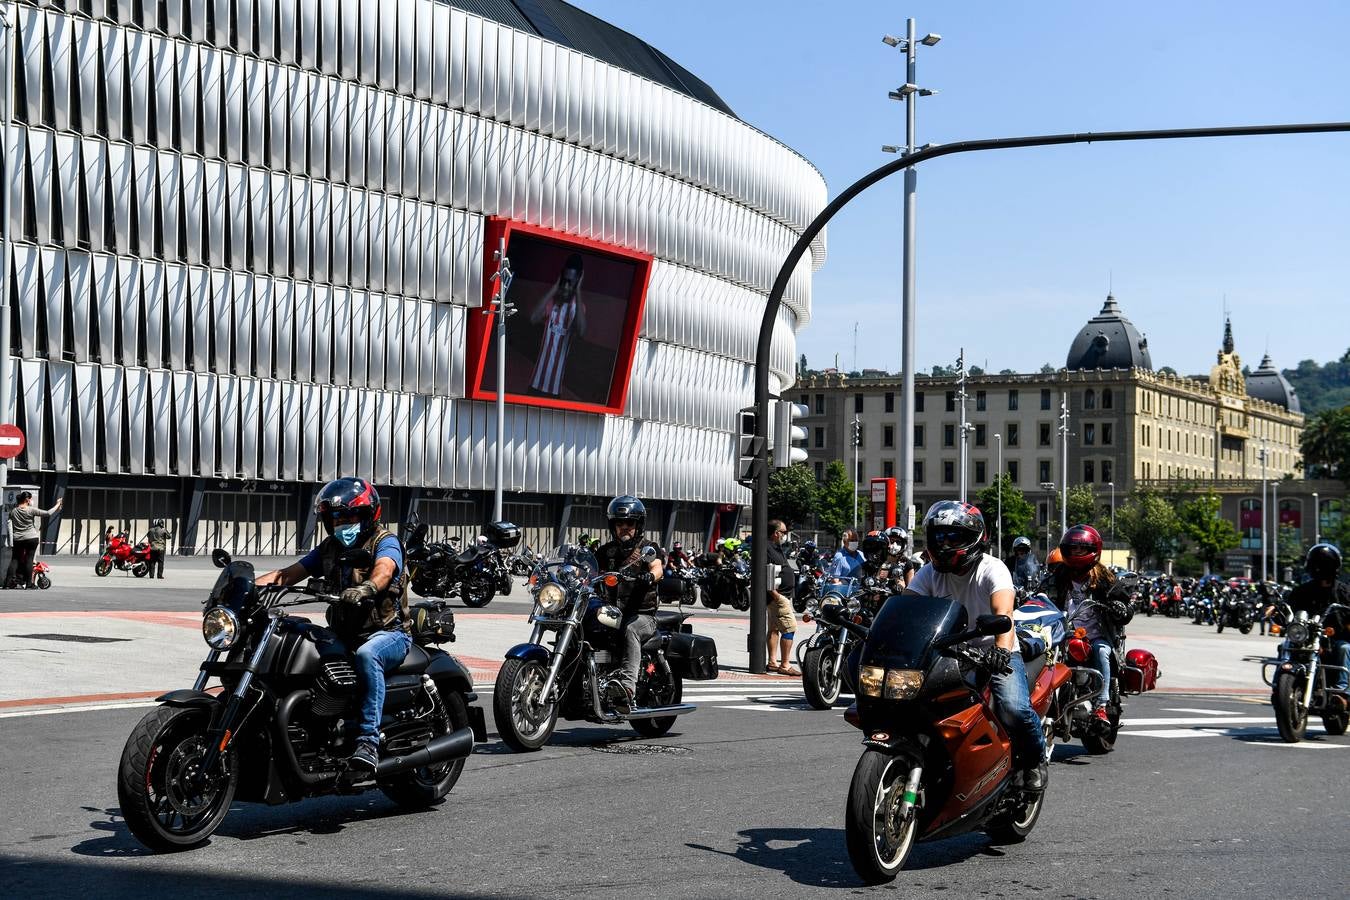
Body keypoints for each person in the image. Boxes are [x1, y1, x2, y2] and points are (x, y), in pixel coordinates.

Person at [256, 477, 409, 775]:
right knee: (301, 646)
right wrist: (245, 589)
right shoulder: (329, 548)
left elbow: (385, 569)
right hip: (345, 633)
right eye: (336, 518)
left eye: (351, 516)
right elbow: (287, 575)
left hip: (388, 634)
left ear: (368, 516)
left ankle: (367, 742)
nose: (343, 523)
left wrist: (367, 588)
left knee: (368, 656)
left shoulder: (385, 541)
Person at [904, 500, 1048, 792]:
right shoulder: (930, 572)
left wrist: (1001, 651)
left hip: (993, 651)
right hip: (948, 652)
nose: (944, 543)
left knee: (1013, 708)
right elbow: (907, 608)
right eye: (939, 536)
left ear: (974, 538)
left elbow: (1004, 616)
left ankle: (1034, 761)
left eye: (952, 536)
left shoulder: (993, 569)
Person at [1039, 525, 1134, 726]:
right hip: (1063, 634)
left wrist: (1121, 609)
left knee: (1101, 652)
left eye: (1081, 549)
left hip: (1096, 636)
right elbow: (1040, 595)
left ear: (1093, 550)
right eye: (1072, 548)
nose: (1076, 552)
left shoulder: (1104, 578)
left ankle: (1101, 706)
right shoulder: (1059, 575)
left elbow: (1126, 605)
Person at [594, 495, 665, 715]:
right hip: (612, 611)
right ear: (613, 525)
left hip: (642, 616)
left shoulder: (648, 548)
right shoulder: (605, 551)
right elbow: (587, 571)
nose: (624, 527)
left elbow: (658, 567)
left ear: (638, 525)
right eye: (619, 523)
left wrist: (650, 577)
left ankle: (627, 688)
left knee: (630, 629)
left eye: (629, 523)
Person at [1287, 544, 1350, 697]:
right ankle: (1281, 684)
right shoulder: (1302, 590)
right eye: (1316, 565)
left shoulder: (1344, 591)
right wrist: (1276, 609)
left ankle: (1342, 693)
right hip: (1307, 638)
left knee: (1345, 649)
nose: (1319, 569)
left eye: (1323, 565)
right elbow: (1288, 606)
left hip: (1336, 639)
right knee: (1285, 646)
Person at [529, 253, 588, 397]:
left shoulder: (577, 307)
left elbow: (581, 331)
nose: (567, 284)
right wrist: (555, 287)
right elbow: (533, 318)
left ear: (578, 279)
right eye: (565, 279)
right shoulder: (552, 302)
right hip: (535, 383)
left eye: (571, 281)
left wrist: (578, 291)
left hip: (554, 390)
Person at [764, 519, 800, 676]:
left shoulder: (776, 547)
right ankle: (785, 665)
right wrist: (776, 596)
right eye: (784, 532)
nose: (786, 535)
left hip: (779, 596)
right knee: (790, 628)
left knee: (773, 629)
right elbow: (766, 571)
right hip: (778, 597)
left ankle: (772, 662)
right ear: (776, 533)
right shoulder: (766, 548)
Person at [9, 491, 62, 589]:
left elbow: (9, 524)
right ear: (27, 500)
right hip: (31, 538)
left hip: (18, 538)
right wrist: (58, 504)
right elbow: (47, 513)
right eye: (31, 499)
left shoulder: (13, 511)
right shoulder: (31, 510)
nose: (31, 501)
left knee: (14, 560)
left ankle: (8, 583)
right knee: (29, 560)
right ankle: (29, 584)